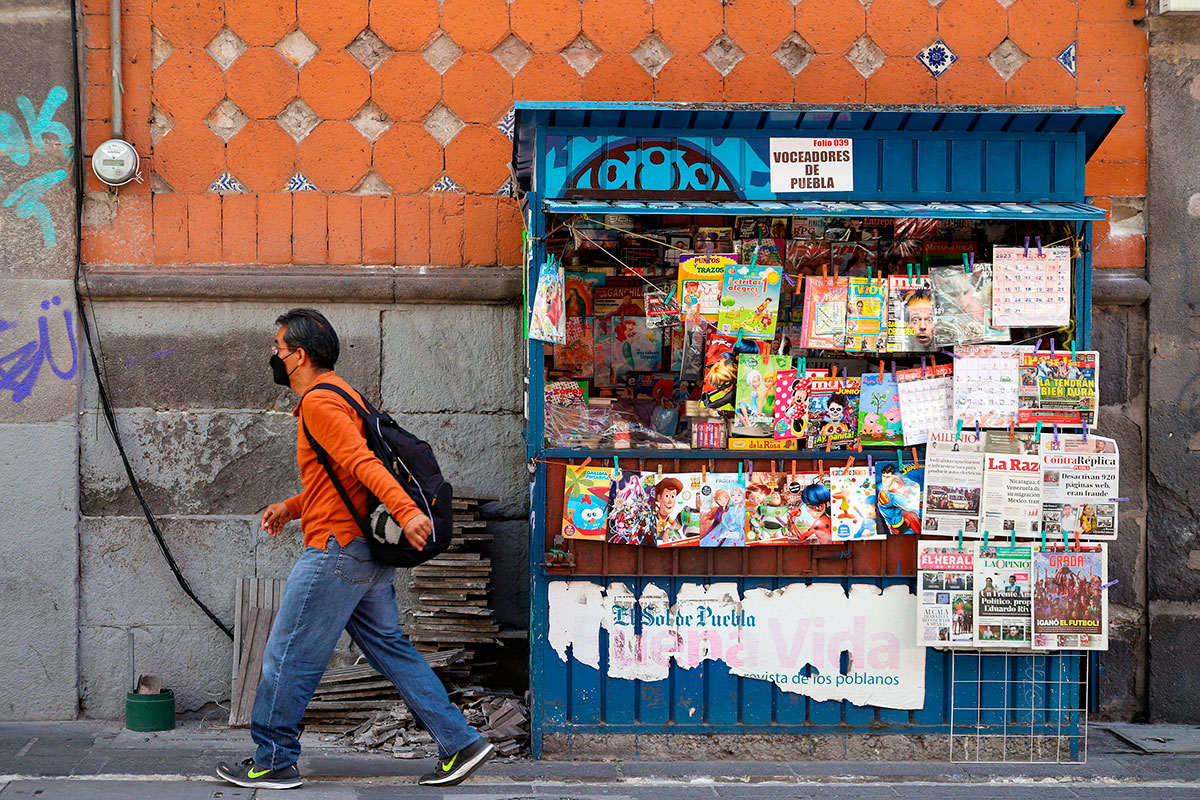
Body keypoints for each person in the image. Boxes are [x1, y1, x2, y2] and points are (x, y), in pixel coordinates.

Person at [216, 310, 492, 791]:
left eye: (278, 349)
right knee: (392, 651)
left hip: (336, 552)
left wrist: (406, 514)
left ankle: (274, 759)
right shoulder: (345, 394)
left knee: (286, 654)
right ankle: (460, 741)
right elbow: (339, 480)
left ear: (299, 356)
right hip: (362, 552)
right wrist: (291, 506)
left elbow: (363, 464)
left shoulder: (320, 405)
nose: (274, 357)